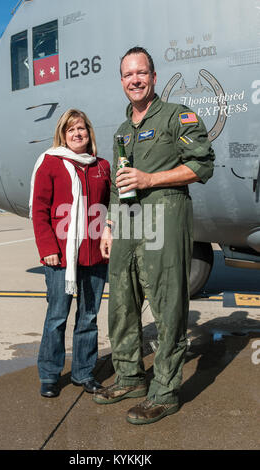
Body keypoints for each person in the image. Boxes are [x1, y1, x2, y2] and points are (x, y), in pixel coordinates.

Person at [94, 47, 215, 424]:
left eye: (141, 73)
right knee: (123, 304)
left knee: (167, 305)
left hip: (165, 213)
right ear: (121, 81)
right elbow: (117, 186)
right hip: (128, 221)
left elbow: (202, 164)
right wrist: (110, 227)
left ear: (153, 76)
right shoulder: (121, 130)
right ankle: (130, 377)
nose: (135, 80)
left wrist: (151, 179)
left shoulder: (176, 116)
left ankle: (164, 391)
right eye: (128, 75)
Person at [30, 109, 110, 397]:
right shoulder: (50, 164)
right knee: (57, 317)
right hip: (61, 257)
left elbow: (108, 206)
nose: (77, 134)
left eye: (82, 129)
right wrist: (48, 248)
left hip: (96, 255)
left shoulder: (101, 166)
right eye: (71, 129)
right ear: (63, 135)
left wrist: (109, 230)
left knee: (88, 317)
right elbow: (39, 211)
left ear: (89, 133)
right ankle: (50, 375)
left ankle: (83, 372)